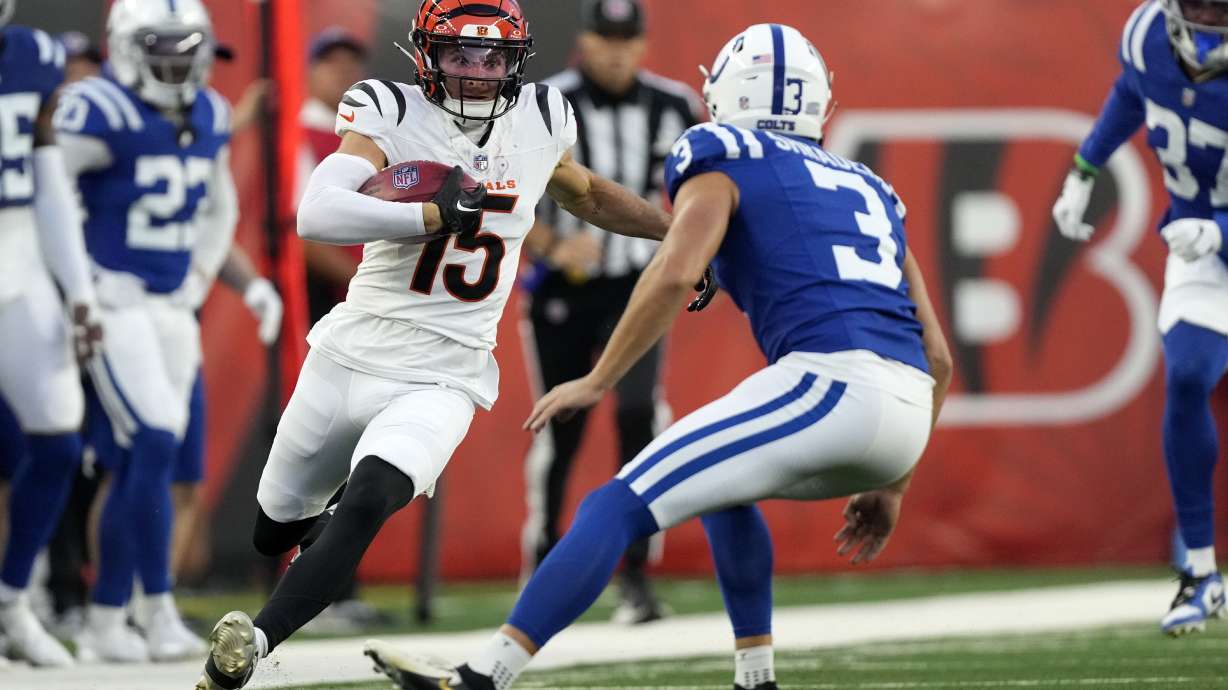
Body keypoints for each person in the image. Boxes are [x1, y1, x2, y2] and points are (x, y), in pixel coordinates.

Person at [364, 22, 953, 690]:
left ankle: (481, 676)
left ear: (725, 94)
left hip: (830, 384)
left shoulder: (722, 148)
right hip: (906, 412)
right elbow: (938, 356)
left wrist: (598, 378)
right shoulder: (868, 185)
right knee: (727, 488)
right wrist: (895, 482)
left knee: (612, 506)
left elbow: (675, 271)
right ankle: (755, 678)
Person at [194, 1, 714, 687]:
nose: (475, 73)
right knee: (275, 529)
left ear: (515, 63)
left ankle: (253, 645)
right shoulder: (390, 111)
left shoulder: (538, 119)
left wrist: (673, 234)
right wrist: (428, 215)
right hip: (351, 352)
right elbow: (319, 213)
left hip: (447, 370)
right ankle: (309, 539)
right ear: (425, 57)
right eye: (458, 56)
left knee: (374, 493)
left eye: (492, 59)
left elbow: (583, 191)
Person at [53, 0, 238, 662]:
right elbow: (45, 193)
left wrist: (201, 276)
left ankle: (132, 614)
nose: (176, 60)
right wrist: (76, 284)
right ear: (126, 46)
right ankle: (121, 612)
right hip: (113, 300)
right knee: (155, 437)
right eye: (160, 46)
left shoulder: (211, 110)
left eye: (186, 46)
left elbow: (222, 205)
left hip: (169, 305)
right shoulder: (93, 107)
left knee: (148, 455)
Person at [517, 0, 704, 624]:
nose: (618, 50)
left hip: (637, 284)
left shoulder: (674, 105)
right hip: (562, 290)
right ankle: (541, 569)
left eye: (629, 39)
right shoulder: (544, 104)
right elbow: (499, 189)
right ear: (585, 40)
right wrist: (550, 244)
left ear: (643, 44)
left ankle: (636, 578)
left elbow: (696, 197)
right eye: (606, 37)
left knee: (638, 418)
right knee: (561, 427)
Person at [1050, 0, 1228, 636]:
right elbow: (1133, 89)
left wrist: (1220, 230)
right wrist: (1085, 167)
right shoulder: (1148, 32)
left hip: (1211, 234)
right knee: (1185, 377)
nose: (1209, 20)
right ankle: (1202, 574)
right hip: (1200, 244)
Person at [0, 0, 103, 668]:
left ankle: (12, 602)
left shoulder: (32, 54)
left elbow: (46, 177)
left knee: (61, 437)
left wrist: (79, 290)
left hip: (16, 265)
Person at [299, 27, 368, 325]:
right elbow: (303, 235)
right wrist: (366, 283)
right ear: (310, 72)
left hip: (365, 289)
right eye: (331, 63)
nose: (343, 72)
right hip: (324, 293)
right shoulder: (297, 135)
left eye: (350, 63)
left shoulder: (371, 134)